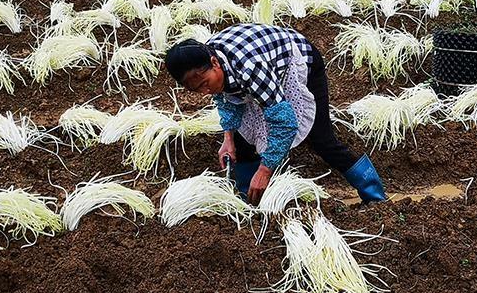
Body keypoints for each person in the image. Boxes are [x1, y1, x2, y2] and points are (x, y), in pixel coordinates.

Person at [164, 23, 386, 206]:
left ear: (214, 63)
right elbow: (226, 99)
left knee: (321, 140)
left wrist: (265, 170)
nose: (205, 91)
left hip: (295, 63)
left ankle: (374, 195)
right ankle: (249, 203)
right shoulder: (208, 65)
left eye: (204, 84)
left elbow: (285, 123)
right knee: (242, 144)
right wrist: (228, 139)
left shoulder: (250, 68)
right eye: (196, 89)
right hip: (262, 69)